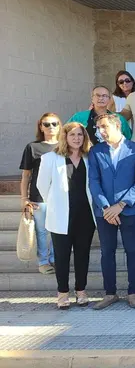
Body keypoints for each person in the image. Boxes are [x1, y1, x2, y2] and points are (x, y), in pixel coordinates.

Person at [88, 114, 135, 310]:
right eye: (98, 128)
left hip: (128, 210)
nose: (100, 131)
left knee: (132, 250)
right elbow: (94, 182)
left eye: (104, 127)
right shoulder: (96, 151)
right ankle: (110, 293)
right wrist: (106, 207)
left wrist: (120, 205)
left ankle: (133, 293)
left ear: (117, 126)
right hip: (104, 212)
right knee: (107, 252)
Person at [36, 122, 96, 309]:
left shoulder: (90, 157)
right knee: (61, 257)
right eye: (72, 135)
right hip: (61, 216)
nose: (77, 138)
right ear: (65, 137)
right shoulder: (50, 158)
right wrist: (56, 203)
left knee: (82, 255)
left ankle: (81, 291)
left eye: (80, 135)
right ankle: (62, 293)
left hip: (85, 215)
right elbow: (42, 186)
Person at [20, 112, 61, 274]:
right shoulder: (33, 147)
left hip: (61, 196)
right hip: (39, 196)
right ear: (40, 126)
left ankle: (57, 259)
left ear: (59, 125)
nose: (51, 127)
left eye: (54, 123)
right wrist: (24, 198)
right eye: (46, 124)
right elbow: (26, 175)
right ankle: (44, 261)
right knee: (42, 231)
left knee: (58, 229)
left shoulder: (66, 145)